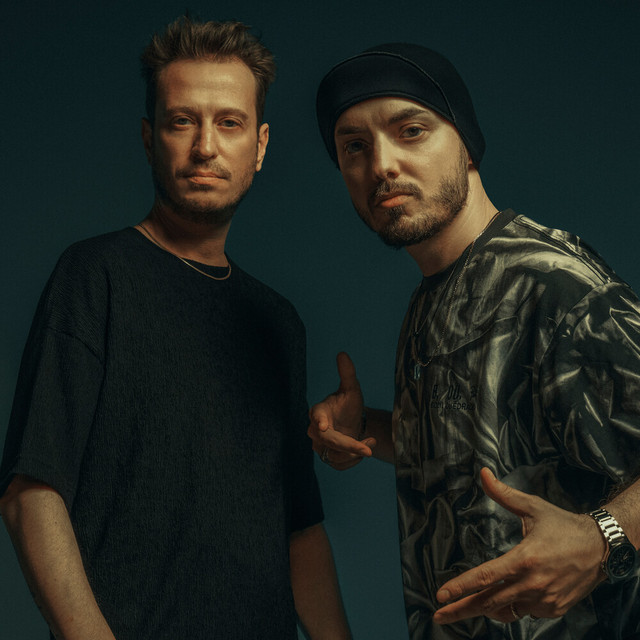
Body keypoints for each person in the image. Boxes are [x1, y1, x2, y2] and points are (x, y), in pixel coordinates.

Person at [0, 16, 351, 640]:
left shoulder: (277, 322)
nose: (205, 147)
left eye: (229, 123)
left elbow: (299, 530)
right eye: (182, 121)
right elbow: (31, 493)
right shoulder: (95, 277)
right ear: (149, 137)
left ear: (260, 146)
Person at [310, 42, 640, 639]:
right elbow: (491, 451)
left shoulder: (554, 286)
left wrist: (601, 537)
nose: (381, 165)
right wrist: (371, 429)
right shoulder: (433, 295)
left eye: (410, 131)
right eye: (354, 147)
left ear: (465, 143)